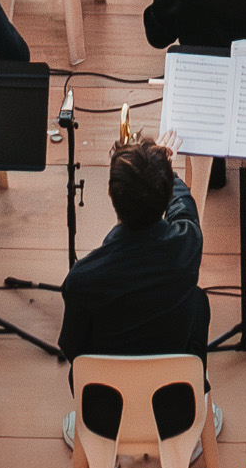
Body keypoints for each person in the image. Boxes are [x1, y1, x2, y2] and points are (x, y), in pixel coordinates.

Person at [56, 133, 213, 361]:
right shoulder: (187, 245)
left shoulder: (80, 278)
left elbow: (73, 350)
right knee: (198, 300)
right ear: (167, 194)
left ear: (111, 194)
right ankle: (198, 385)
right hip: (172, 393)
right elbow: (184, 209)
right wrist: (168, 171)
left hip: (105, 395)